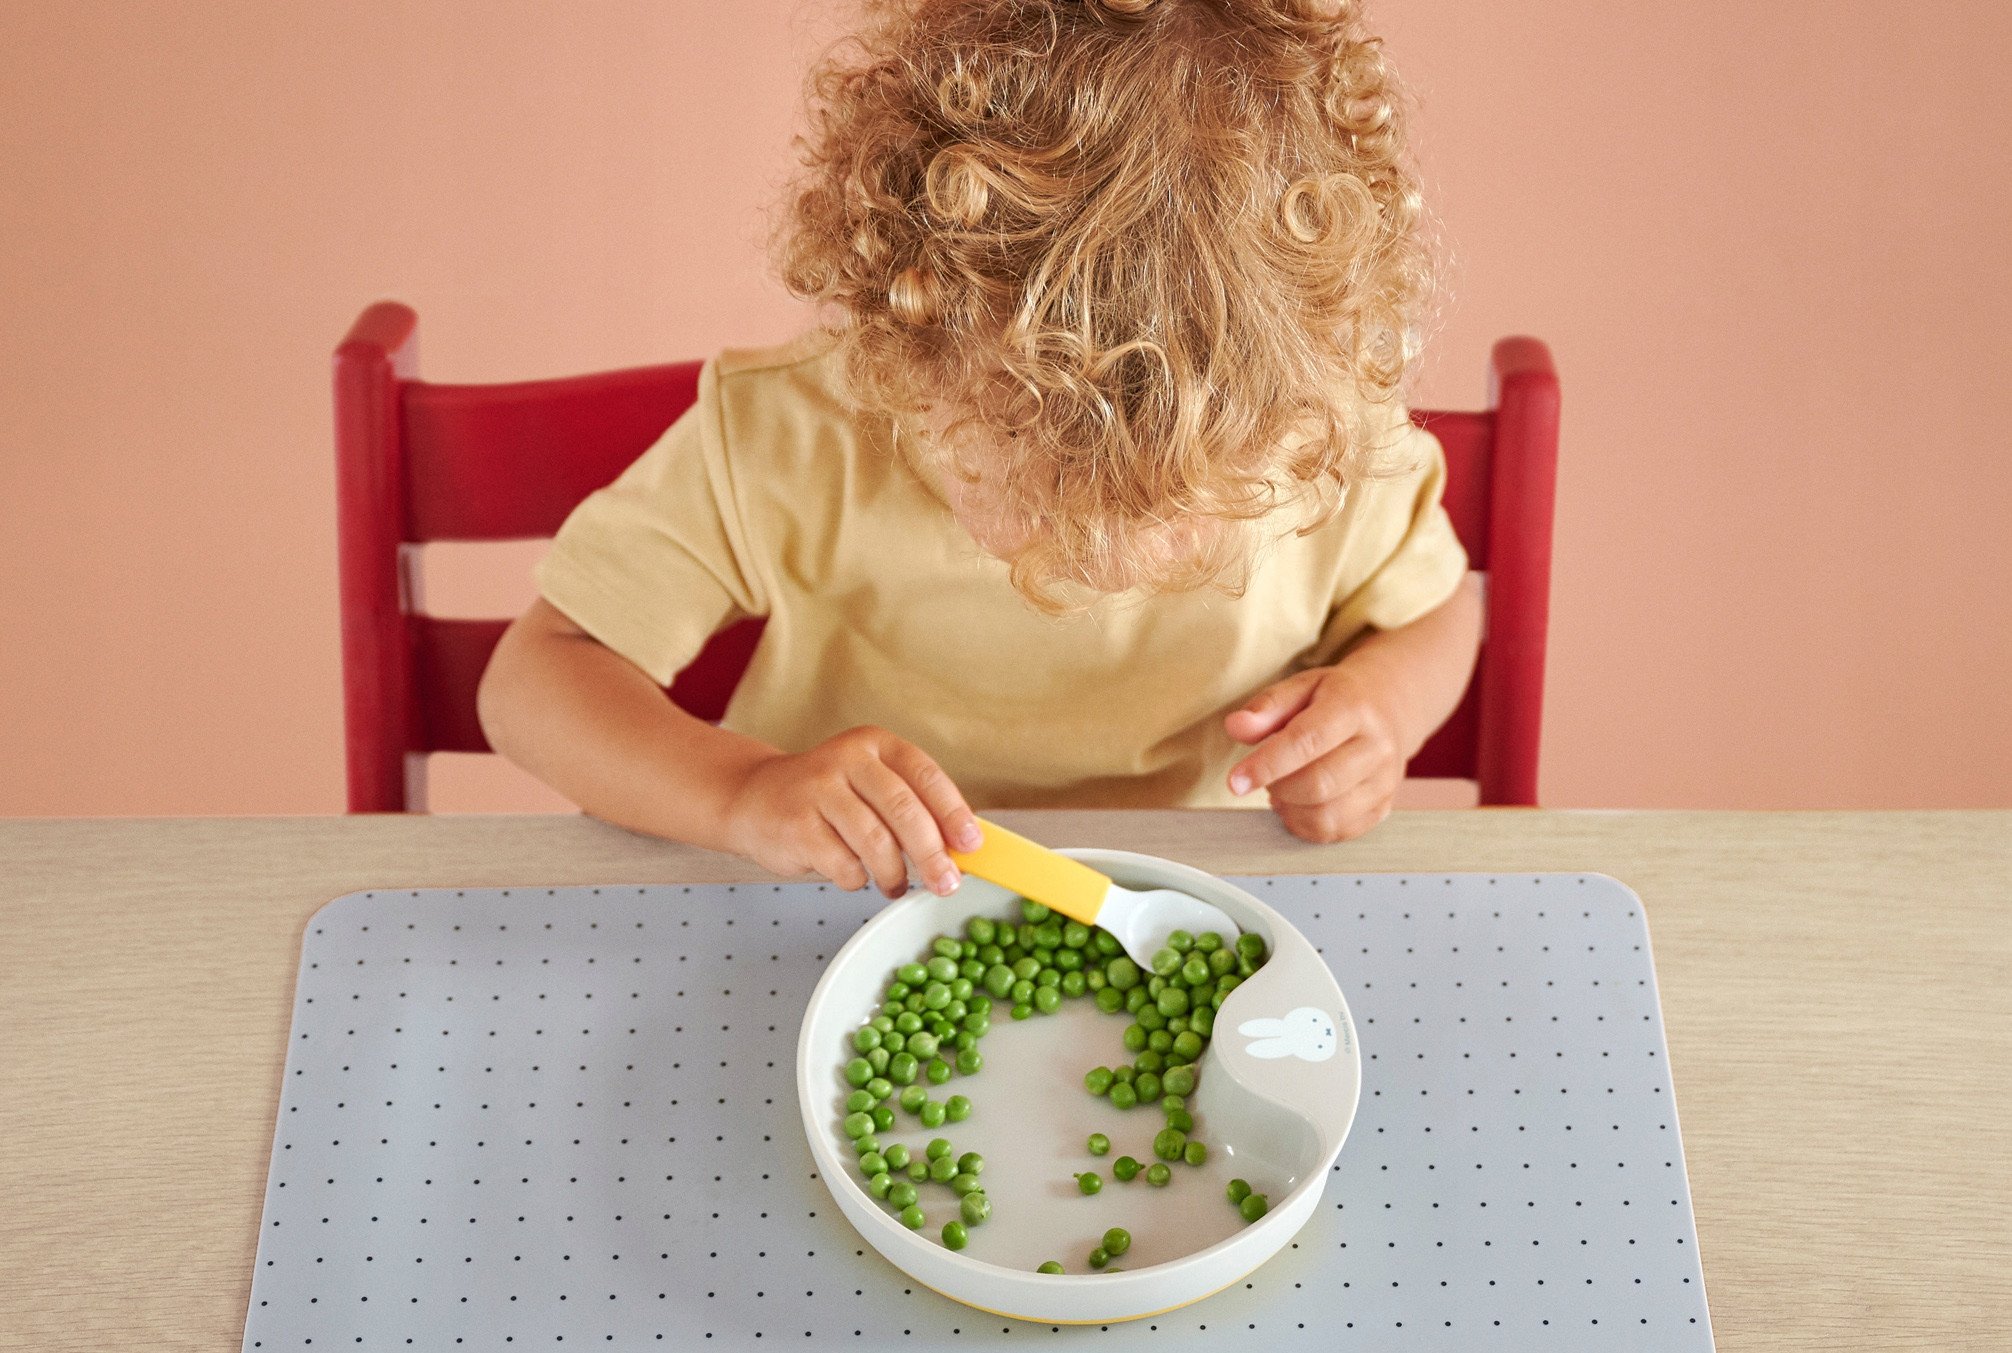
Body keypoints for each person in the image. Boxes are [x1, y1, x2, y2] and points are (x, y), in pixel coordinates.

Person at [479, 0, 1482, 900]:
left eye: (1176, 510)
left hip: (1201, 896)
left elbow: (1437, 612)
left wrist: (1377, 711)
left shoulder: (1319, 429)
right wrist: (743, 793)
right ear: (908, 354)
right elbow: (535, 682)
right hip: (847, 897)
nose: (1108, 559)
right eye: (1039, 496)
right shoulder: (792, 436)